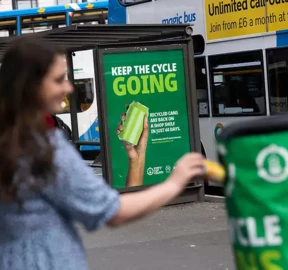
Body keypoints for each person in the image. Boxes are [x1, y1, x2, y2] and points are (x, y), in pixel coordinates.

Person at [0, 36, 205, 269]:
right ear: (31, 86)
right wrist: (175, 183)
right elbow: (113, 212)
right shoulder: (46, 150)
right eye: (58, 80)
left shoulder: (9, 143)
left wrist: (136, 160)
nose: (68, 88)